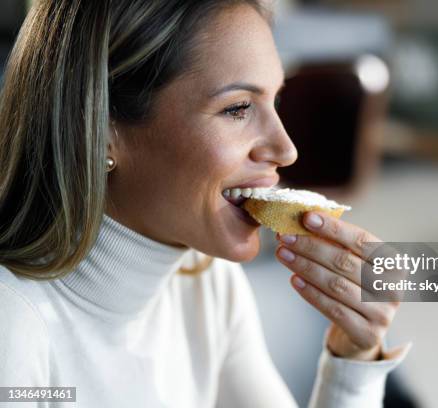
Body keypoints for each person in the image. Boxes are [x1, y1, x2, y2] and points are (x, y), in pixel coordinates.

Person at [0, 1, 409, 407]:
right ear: (101, 128)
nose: (286, 151)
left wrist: (351, 365)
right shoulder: (13, 323)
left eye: (276, 102)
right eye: (238, 109)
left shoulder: (206, 283)